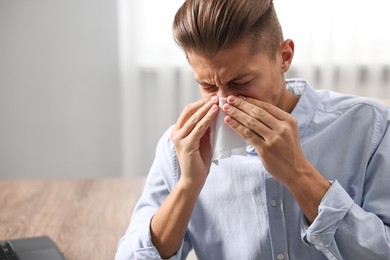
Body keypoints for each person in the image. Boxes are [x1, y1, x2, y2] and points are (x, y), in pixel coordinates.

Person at [115, 0, 390, 259]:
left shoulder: (370, 127)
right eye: (208, 87)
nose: (223, 103)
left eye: (241, 82)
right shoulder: (181, 148)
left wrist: (298, 173)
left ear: (284, 56)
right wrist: (187, 186)